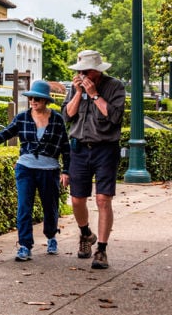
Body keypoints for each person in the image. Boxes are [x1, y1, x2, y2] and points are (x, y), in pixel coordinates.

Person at [0, 79, 70, 261]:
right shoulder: (22, 118)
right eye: (31, 98)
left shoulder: (57, 119)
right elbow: (5, 134)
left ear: (46, 100)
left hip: (49, 170)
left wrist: (66, 171)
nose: (33, 101)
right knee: (24, 207)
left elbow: (65, 147)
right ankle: (24, 246)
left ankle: (51, 236)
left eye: (37, 98)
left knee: (50, 207)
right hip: (25, 168)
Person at [63, 49, 126, 269]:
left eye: (86, 71)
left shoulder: (115, 86)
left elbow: (116, 117)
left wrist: (94, 95)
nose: (82, 74)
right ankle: (85, 234)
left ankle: (101, 249)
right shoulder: (75, 87)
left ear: (97, 71)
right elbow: (67, 116)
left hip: (105, 148)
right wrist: (79, 93)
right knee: (77, 199)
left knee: (103, 199)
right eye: (79, 71)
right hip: (79, 148)